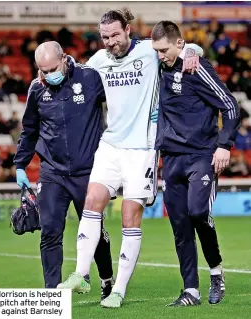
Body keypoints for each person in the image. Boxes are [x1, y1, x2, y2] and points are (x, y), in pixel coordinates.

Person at [58, 9, 203, 308]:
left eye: (115, 35)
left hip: (142, 149)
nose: (111, 42)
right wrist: (55, 68)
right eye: (105, 37)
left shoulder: (149, 52)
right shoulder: (100, 60)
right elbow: (73, 68)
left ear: (127, 30)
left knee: (128, 217)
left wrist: (192, 51)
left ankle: (119, 290)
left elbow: (182, 45)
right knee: (92, 202)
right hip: (111, 145)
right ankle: (81, 274)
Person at [13, 41, 114, 299]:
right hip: (52, 173)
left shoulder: (90, 78)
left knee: (96, 233)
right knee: (49, 231)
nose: (47, 75)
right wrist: (20, 165)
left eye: (51, 69)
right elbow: (29, 129)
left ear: (64, 59)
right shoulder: (37, 89)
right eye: (42, 71)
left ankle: (106, 279)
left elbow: (119, 102)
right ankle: (52, 294)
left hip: (88, 172)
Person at [151, 21, 240, 306]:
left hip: (202, 155)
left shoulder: (196, 67)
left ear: (179, 44)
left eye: (164, 49)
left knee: (198, 211)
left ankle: (216, 273)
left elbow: (230, 105)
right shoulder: (157, 66)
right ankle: (191, 290)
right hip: (172, 158)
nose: (160, 55)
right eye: (156, 50)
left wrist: (224, 144)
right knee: (179, 226)